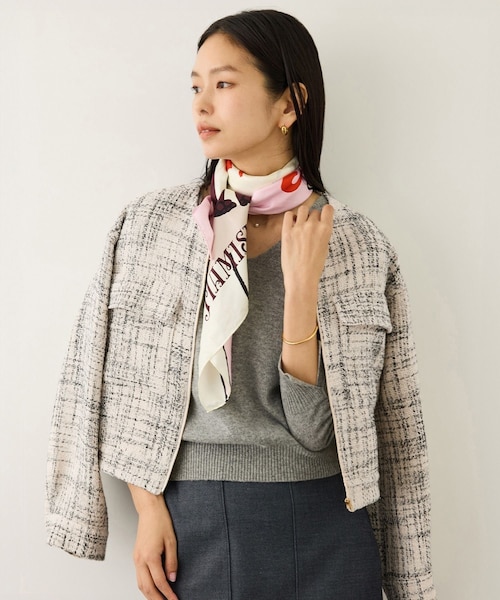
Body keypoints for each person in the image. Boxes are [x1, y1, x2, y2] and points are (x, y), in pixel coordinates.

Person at [45, 9, 436, 600]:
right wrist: (147, 508)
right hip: (196, 524)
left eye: (223, 84)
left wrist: (302, 293)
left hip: (332, 526)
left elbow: (345, 431)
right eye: (195, 87)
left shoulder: (359, 246)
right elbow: (105, 383)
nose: (201, 105)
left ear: (290, 103)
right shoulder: (149, 228)